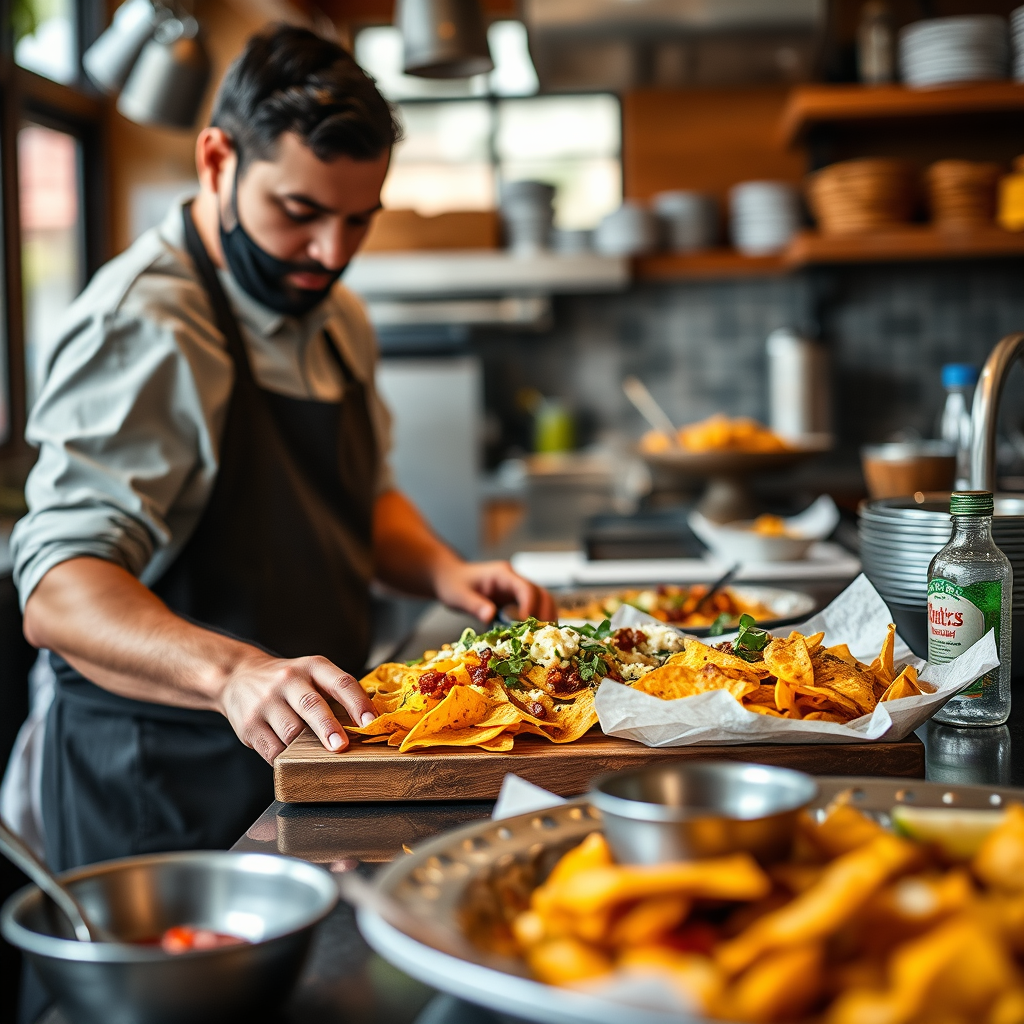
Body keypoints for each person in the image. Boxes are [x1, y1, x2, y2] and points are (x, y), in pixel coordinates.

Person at [10, 24, 555, 875]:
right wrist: (233, 673)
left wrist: (445, 572)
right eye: (300, 213)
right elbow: (57, 591)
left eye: (357, 221)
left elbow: (359, 500)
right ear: (217, 161)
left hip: (314, 765)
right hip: (165, 792)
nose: (331, 254)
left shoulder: (335, 318)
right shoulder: (147, 325)